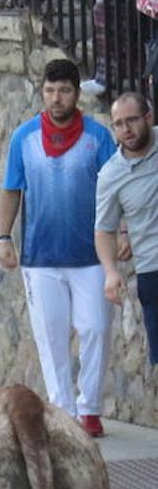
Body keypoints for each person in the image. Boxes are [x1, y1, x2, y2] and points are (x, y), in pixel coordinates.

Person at [0, 58, 117, 437]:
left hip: (91, 256)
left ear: (76, 94)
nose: (56, 98)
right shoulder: (24, 138)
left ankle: (90, 409)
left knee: (95, 328)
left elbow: (117, 189)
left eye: (64, 90)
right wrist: (4, 238)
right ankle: (63, 412)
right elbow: (12, 189)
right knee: (50, 336)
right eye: (49, 90)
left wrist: (123, 233)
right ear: (42, 92)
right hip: (39, 258)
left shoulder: (98, 138)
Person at [98, 91, 158, 365]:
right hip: (152, 272)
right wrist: (110, 272)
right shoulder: (110, 175)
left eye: (132, 120)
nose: (126, 130)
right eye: (118, 124)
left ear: (149, 117)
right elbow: (104, 229)